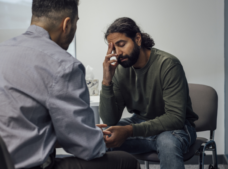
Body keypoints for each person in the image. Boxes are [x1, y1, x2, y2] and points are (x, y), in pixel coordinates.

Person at [0, 1, 140, 169]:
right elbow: (88, 148)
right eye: (76, 22)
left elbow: (20, 130)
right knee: (126, 161)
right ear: (67, 24)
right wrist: (87, 133)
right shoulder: (64, 65)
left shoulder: (3, 49)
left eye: (121, 44)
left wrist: (77, 130)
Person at [100, 17, 199, 169]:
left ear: (138, 39)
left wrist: (129, 131)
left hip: (176, 128)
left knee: (167, 143)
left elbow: (175, 118)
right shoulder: (120, 71)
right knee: (103, 136)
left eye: (122, 44)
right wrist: (107, 80)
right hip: (141, 122)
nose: (117, 53)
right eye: (113, 49)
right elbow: (109, 120)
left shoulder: (168, 64)